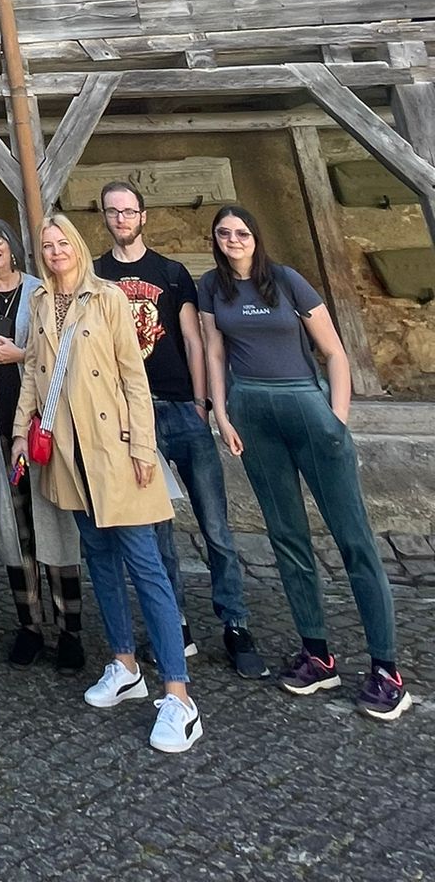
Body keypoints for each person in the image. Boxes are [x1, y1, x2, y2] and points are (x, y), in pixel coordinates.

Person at [200, 206, 409, 720]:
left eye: (241, 232)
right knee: (287, 537)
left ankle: (386, 670)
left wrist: (337, 420)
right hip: (252, 413)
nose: (233, 240)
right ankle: (317, 654)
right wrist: (221, 414)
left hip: (306, 406)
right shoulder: (211, 287)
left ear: (256, 236)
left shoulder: (287, 280)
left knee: (354, 539)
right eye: (224, 233)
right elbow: (214, 353)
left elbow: (334, 353)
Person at [12, 214, 202, 755]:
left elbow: (134, 378)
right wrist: (21, 432)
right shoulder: (40, 303)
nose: (55, 251)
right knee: (98, 559)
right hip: (68, 454)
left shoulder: (109, 297)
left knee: (146, 566)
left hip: (114, 451)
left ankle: (178, 694)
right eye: (46, 245)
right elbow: (32, 374)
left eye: (62, 242)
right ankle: (124, 664)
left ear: (76, 245)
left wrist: (143, 446)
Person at [94, 181, 267, 679]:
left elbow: (194, 340)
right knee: (157, 532)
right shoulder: (97, 275)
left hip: (180, 408)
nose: (122, 218)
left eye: (129, 211)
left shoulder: (171, 274)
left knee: (216, 526)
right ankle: (176, 624)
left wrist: (201, 403)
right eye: (113, 212)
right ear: (104, 217)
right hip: (132, 417)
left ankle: (235, 624)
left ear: (143, 216)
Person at [0, 216, 83, 670]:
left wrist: (19, 353)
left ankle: (70, 630)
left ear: (11, 244)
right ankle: (30, 626)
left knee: (54, 521)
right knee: (12, 527)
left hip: (40, 424)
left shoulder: (40, 290)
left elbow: (60, 347)